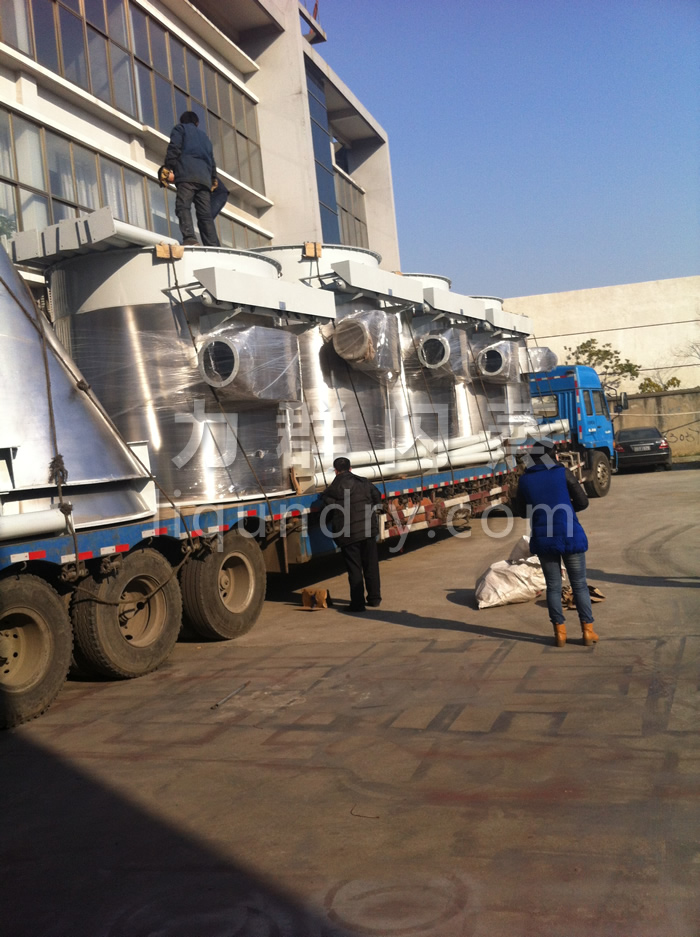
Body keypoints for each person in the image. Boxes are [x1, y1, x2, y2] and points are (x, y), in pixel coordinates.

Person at [512, 438, 599, 648]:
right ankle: (588, 631)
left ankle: (559, 633)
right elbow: (583, 502)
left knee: (553, 586)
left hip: (544, 538)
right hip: (570, 535)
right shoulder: (562, 473)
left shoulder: (525, 480)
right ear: (553, 455)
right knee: (579, 584)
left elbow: (522, 512)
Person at [321, 457, 383, 612]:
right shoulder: (364, 482)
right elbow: (377, 497)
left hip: (349, 534)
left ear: (336, 471)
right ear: (350, 468)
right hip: (368, 530)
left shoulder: (333, 488)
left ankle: (358, 603)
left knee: (354, 568)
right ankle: (374, 599)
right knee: (371, 565)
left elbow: (328, 503)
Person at [163, 111, 220, 247]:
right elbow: (211, 160)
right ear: (197, 123)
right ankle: (212, 245)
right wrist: (213, 178)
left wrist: (168, 167)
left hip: (186, 175)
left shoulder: (180, 129)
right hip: (204, 179)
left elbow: (174, 148)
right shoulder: (205, 138)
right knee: (205, 215)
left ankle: (190, 238)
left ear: (182, 121)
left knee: (183, 206)